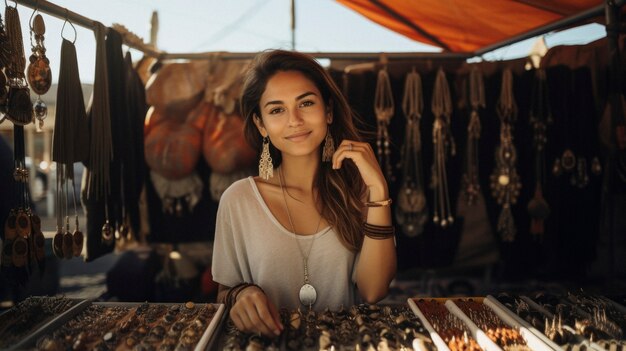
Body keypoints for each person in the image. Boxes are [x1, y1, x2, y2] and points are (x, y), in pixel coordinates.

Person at [211, 49, 396, 337]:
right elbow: (223, 295)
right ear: (261, 124)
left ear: (329, 110)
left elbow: (374, 291)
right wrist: (240, 295)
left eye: (306, 103)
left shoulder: (359, 192)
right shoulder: (239, 200)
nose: (294, 120)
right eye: (276, 110)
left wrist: (379, 189)